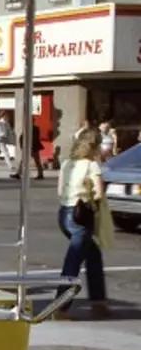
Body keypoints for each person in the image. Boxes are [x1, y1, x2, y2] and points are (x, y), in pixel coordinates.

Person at [56, 128, 111, 319]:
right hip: (80, 217)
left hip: (64, 214)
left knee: (93, 255)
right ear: (94, 146)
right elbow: (99, 193)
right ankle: (60, 307)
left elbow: (59, 191)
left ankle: (99, 302)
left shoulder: (66, 164)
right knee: (73, 262)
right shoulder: (91, 165)